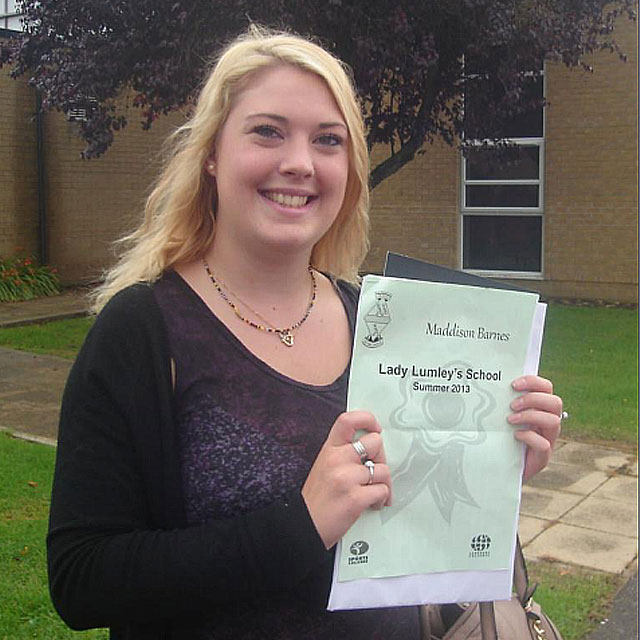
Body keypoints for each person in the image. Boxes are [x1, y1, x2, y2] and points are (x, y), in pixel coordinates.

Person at [47, 26, 563, 640]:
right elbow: (83, 580)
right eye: (267, 131)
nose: (299, 162)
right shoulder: (143, 330)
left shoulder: (377, 318)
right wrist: (301, 526)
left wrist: (490, 464)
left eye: (328, 140)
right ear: (212, 153)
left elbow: (408, 518)